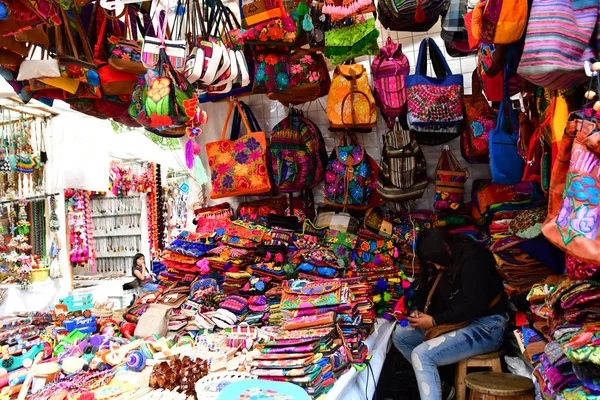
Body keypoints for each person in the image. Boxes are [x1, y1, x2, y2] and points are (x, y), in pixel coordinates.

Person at [392, 228, 509, 400]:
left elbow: (474, 306)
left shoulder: (474, 258)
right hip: (461, 322)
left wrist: (434, 321)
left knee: (422, 355)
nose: (437, 267)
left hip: (488, 327)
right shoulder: (451, 259)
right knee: (401, 336)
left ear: (444, 248)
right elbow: (442, 300)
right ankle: (442, 390)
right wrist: (421, 311)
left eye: (435, 261)